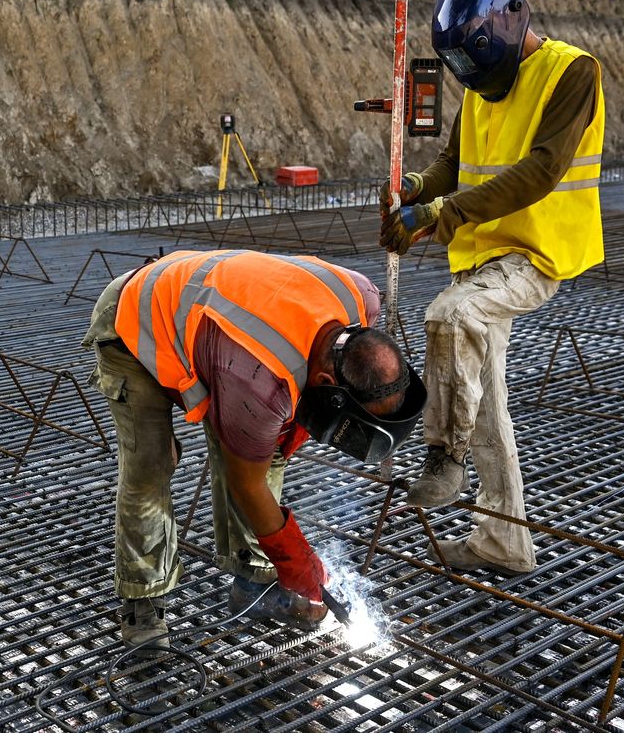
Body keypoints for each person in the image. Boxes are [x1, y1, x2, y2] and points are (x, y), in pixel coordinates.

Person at [378, 0, 605, 575]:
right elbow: (454, 160)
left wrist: (438, 214)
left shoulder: (572, 71)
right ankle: (503, 542)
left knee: (451, 318)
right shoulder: (481, 87)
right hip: (482, 255)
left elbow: (540, 171)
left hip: (534, 252)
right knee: (483, 399)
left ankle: (442, 455)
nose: (474, 82)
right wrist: (416, 186)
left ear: (511, 18)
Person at [82, 250, 424, 648]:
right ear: (329, 378)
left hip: (212, 321)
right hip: (134, 321)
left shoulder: (360, 297)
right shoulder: (262, 382)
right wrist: (297, 561)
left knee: (267, 448)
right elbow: (247, 484)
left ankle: (254, 583)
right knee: (150, 468)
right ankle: (142, 604)